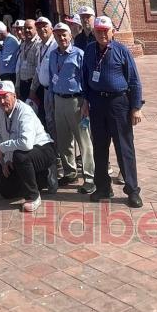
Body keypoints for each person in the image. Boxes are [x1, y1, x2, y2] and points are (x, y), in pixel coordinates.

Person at [80, 15, 144, 208]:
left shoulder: (121, 51)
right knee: (99, 147)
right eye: (98, 31)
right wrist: (85, 101)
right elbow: (85, 77)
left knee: (124, 147)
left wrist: (136, 107)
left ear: (112, 32)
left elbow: (134, 80)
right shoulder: (89, 51)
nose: (101, 34)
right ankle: (103, 188)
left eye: (105, 31)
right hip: (97, 104)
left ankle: (132, 190)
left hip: (118, 104)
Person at [0, 80, 58, 213]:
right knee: (6, 191)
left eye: (5, 96)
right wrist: (6, 161)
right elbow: (0, 135)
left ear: (14, 96)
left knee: (20, 157)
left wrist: (3, 148)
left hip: (43, 148)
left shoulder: (25, 112)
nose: (2, 101)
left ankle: (34, 196)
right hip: (24, 152)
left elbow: (26, 143)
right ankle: (42, 178)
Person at [49, 22, 95, 193]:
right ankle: (70, 172)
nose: (61, 38)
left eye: (64, 34)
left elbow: (86, 78)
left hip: (76, 102)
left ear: (70, 36)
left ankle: (90, 177)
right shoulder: (53, 55)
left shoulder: (79, 54)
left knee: (83, 141)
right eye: (58, 35)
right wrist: (52, 101)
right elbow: (53, 77)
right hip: (59, 100)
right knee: (64, 140)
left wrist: (86, 102)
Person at [34, 17, 58, 135]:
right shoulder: (40, 46)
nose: (41, 29)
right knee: (49, 120)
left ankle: (63, 150)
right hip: (45, 90)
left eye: (44, 26)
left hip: (55, 91)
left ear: (51, 29)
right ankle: (56, 149)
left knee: (58, 121)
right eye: (38, 27)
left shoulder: (56, 45)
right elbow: (38, 70)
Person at [16, 19, 40, 102]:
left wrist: (32, 90)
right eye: (25, 28)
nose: (26, 30)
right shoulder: (23, 44)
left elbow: (38, 69)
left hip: (33, 86)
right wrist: (17, 85)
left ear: (36, 29)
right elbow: (20, 66)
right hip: (23, 84)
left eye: (30, 28)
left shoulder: (38, 44)